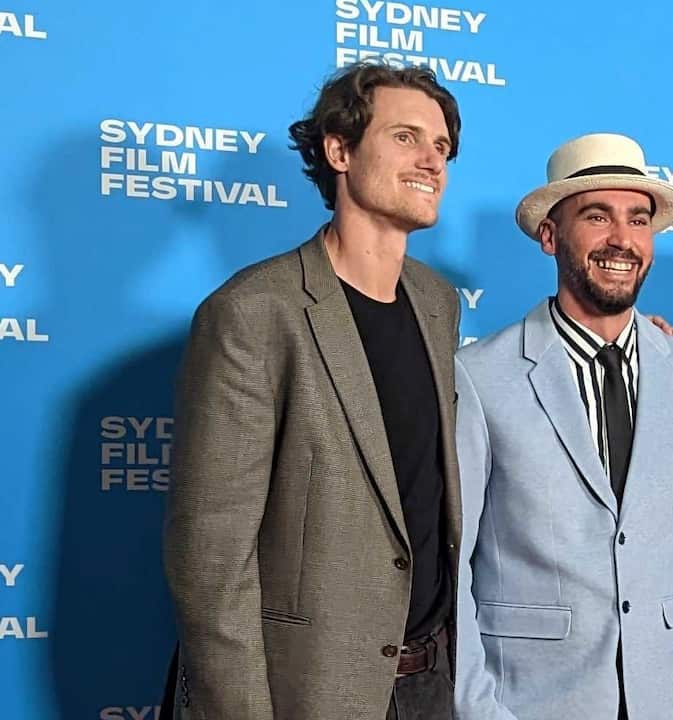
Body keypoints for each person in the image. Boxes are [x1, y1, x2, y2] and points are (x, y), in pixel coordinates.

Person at [163, 62, 465, 719]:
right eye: (406, 137)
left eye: (441, 146)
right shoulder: (253, 312)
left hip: (429, 684)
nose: (431, 160)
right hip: (309, 688)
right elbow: (211, 563)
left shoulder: (438, 304)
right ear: (339, 150)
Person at [452, 132, 673, 720]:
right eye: (597, 216)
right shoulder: (481, 376)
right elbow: (452, 571)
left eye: (637, 219)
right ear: (550, 236)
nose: (621, 240)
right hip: (530, 704)